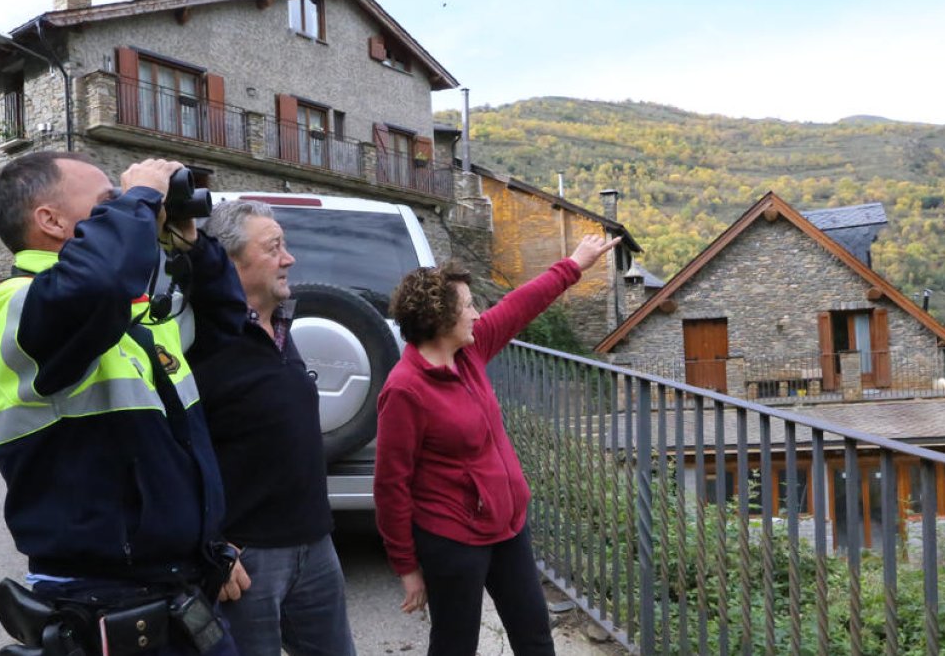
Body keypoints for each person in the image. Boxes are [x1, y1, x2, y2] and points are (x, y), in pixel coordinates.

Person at [0, 151, 248, 656]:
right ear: (50, 221)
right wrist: (140, 196)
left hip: (182, 589)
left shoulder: (126, 316)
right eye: (108, 203)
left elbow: (225, 321)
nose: (126, 208)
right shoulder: (14, 305)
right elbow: (95, 284)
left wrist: (189, 242)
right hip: (103, 600)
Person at [373, 234, 621, 656]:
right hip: (451, 538)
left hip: (507, 525)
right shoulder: (405, 389)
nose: (477, 313)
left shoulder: (470, 350)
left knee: (535, 636)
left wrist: (574, 265)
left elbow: (520, 305)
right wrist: (407, 567)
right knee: (455, 646)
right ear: (440, 317)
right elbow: (390, 486)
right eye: (468, 305)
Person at [185, 199, 355, 656]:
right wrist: (209, 547)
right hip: (247, 559)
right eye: (274, 247)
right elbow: (171, 451)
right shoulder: (197, 339)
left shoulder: (280, 325)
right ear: (231, 261)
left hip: (316, 545)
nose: (289, 258)